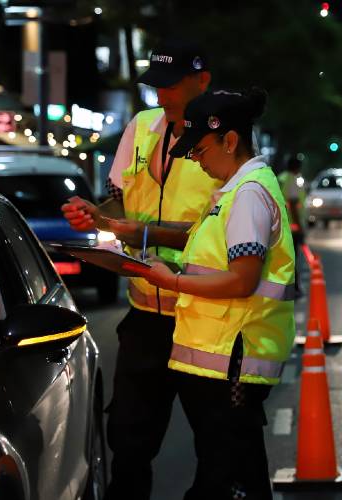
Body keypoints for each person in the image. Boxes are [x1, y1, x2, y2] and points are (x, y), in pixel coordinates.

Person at [60, 39, 221, 500]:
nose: (162, 97)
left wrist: (140, 232)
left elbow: (222, 228)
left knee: (218, 447)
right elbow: (118, 199)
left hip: (201, 319)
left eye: (171, 87)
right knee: (128, 444)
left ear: (202, 80)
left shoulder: (222, 136)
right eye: (156, 87)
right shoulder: (142, 126)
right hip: (145, 317)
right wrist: (95, 211)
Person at [124, 88, 295, 500]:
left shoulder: (249, 194)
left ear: (230, 140)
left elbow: (242, 280)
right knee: (238, 475)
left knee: (225, 478)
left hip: (231, 361)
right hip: (219, 362)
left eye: (199, 150)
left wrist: (173, 282)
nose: (196, 162)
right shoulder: (235, 191)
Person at [277, 156, 306, 296]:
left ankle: (287, 287)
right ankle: (293, 288)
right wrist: (299, 227)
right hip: (291, 226)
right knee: (293, 258)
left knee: (284, 258)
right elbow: (293, 205)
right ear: (297, 168)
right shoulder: (291, 180)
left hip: (280, 225)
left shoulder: (280, 178)